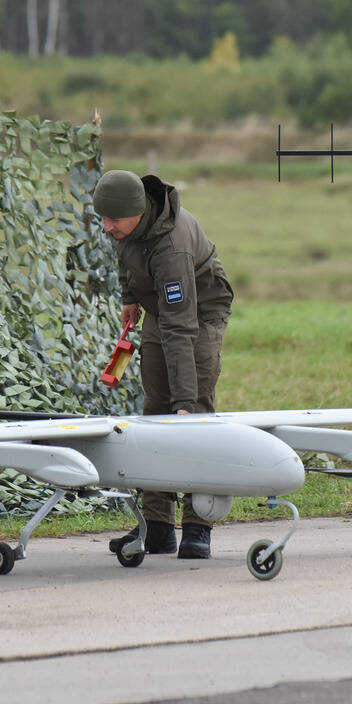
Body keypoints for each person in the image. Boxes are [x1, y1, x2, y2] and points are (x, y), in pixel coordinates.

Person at [93, 169, 234, 560]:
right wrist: (129, 296)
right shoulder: (126, 225)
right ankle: (156, 526)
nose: (107, 228)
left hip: (199, 314)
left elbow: (180, 329)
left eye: (113, 220)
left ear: (138, 213)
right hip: (161, 308)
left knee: (194, 417)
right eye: (102, 219)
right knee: (154, 413)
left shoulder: (173, 248)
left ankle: (197, 527)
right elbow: (128, 255)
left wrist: (184, 399)